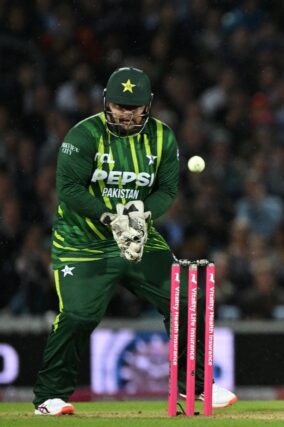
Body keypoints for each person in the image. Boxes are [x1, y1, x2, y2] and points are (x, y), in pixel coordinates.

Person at [32, 67, 237, 416]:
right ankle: (50, 396)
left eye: (134, 107)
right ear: (106, 103)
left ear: (148, 106)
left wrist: (142, 217)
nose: (126, 114)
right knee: (78, 317)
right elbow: (68, 189)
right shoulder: (82, 136)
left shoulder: (162, 138)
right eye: (119, 106)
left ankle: (196, 387)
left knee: (188, 298)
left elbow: (167, 190)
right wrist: (110, 217)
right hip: (83, 243)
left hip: (138, 237)